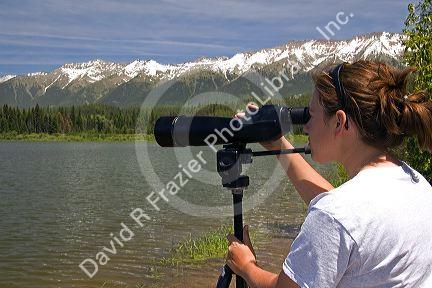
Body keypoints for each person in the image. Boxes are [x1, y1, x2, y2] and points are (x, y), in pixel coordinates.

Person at [226, 60, 432, 287]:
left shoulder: (336, 215)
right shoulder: (417, 184)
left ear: (339, 122)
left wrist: (247, 267)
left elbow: (337, 218)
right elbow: (349, 217)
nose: (306, 128)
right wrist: (278, 144)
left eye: (311, 116)